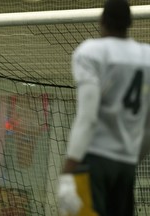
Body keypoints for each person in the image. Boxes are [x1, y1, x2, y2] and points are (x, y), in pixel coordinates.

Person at [57, 0, 150, 216]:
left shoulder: (91, 52)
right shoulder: (146, 56)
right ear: (130, 23)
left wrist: (68, 170)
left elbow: (87, 116)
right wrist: (131, 159)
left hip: (94, 160)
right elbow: (148, 124)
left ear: (102, 20)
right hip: (126, 165)